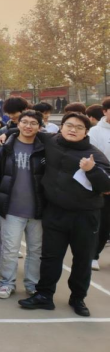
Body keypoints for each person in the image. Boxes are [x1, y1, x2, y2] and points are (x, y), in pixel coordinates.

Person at [17, 112, 110, 317]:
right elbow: (27, 130)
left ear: (86, 132)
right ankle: (44, 295)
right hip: (55, 212)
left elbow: (107, 186)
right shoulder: (50, 141)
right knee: (50, 257)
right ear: (61, 127)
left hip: (85, 216)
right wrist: (5, 135)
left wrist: (92, 170)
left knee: (82, 259)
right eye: (69, 125)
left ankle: (78, 298)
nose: (73, 130)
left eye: (79, 127)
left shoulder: (94, 155)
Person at [0, 110, 46, 299]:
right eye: (24, 122)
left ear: (39, 127)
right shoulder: (5, 148)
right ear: (18, 124)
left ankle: (32, 284)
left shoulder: (45, 149)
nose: (28, 126)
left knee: (36, 250)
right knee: (9, 250)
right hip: (11, 210)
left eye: (33, 123)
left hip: (38, 211)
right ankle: (7, 283)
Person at [88, 97, 110, 272]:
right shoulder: (95, 132)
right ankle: (93, 255)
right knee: (103, 224)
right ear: (105, 111)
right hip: (105, 185)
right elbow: (93, 159)